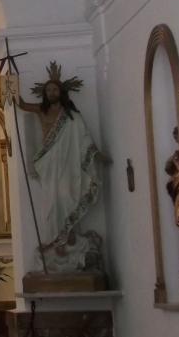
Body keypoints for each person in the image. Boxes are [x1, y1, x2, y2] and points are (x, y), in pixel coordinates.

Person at [10, 62, 109, 273]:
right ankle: (56, 240)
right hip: (49, 163)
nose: (51, 92)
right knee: (51, 202)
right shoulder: (41, 110)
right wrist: (8, 81)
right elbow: (21, 104)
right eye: (48, 90)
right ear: (45, 94)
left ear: (61, 92)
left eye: (54, 89)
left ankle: (68, 235)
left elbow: (84, 138)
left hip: (68, 164)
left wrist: (98, 155)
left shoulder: (71, 115)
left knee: (66, 196)